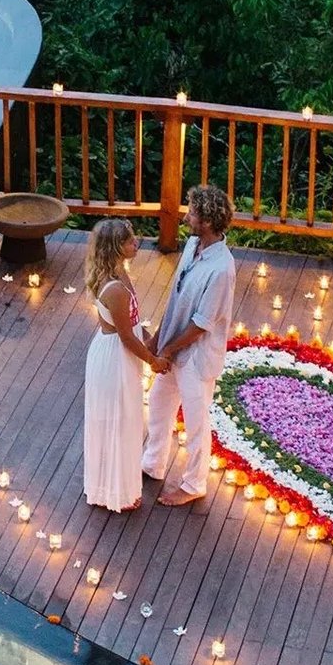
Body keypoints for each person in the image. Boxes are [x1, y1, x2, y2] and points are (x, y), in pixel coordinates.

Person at [142, 185, 237, 506]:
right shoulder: (193, 245)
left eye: (192, 213)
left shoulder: (222, 269)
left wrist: (168, 350)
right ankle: (153, 463)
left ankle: (195, 483)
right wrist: (158, 337)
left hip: (197, 358)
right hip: (174, 345)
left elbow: (201, 323)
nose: (186, 216)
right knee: (157, 403)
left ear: (208, 221)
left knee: (196, 422)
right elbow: (177, 297)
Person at [83, 217, 166, 511]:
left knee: (126, 418)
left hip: (121, 353)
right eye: (130, 241)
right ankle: (113, 491)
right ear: (117, 248)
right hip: (114, 357)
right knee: (118, 420)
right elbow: (126, 337)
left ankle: (116, 483)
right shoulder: (115, 288)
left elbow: (133, 323)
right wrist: (154, 361)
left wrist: (151, 337)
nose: (136, 244)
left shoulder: (121, 274)